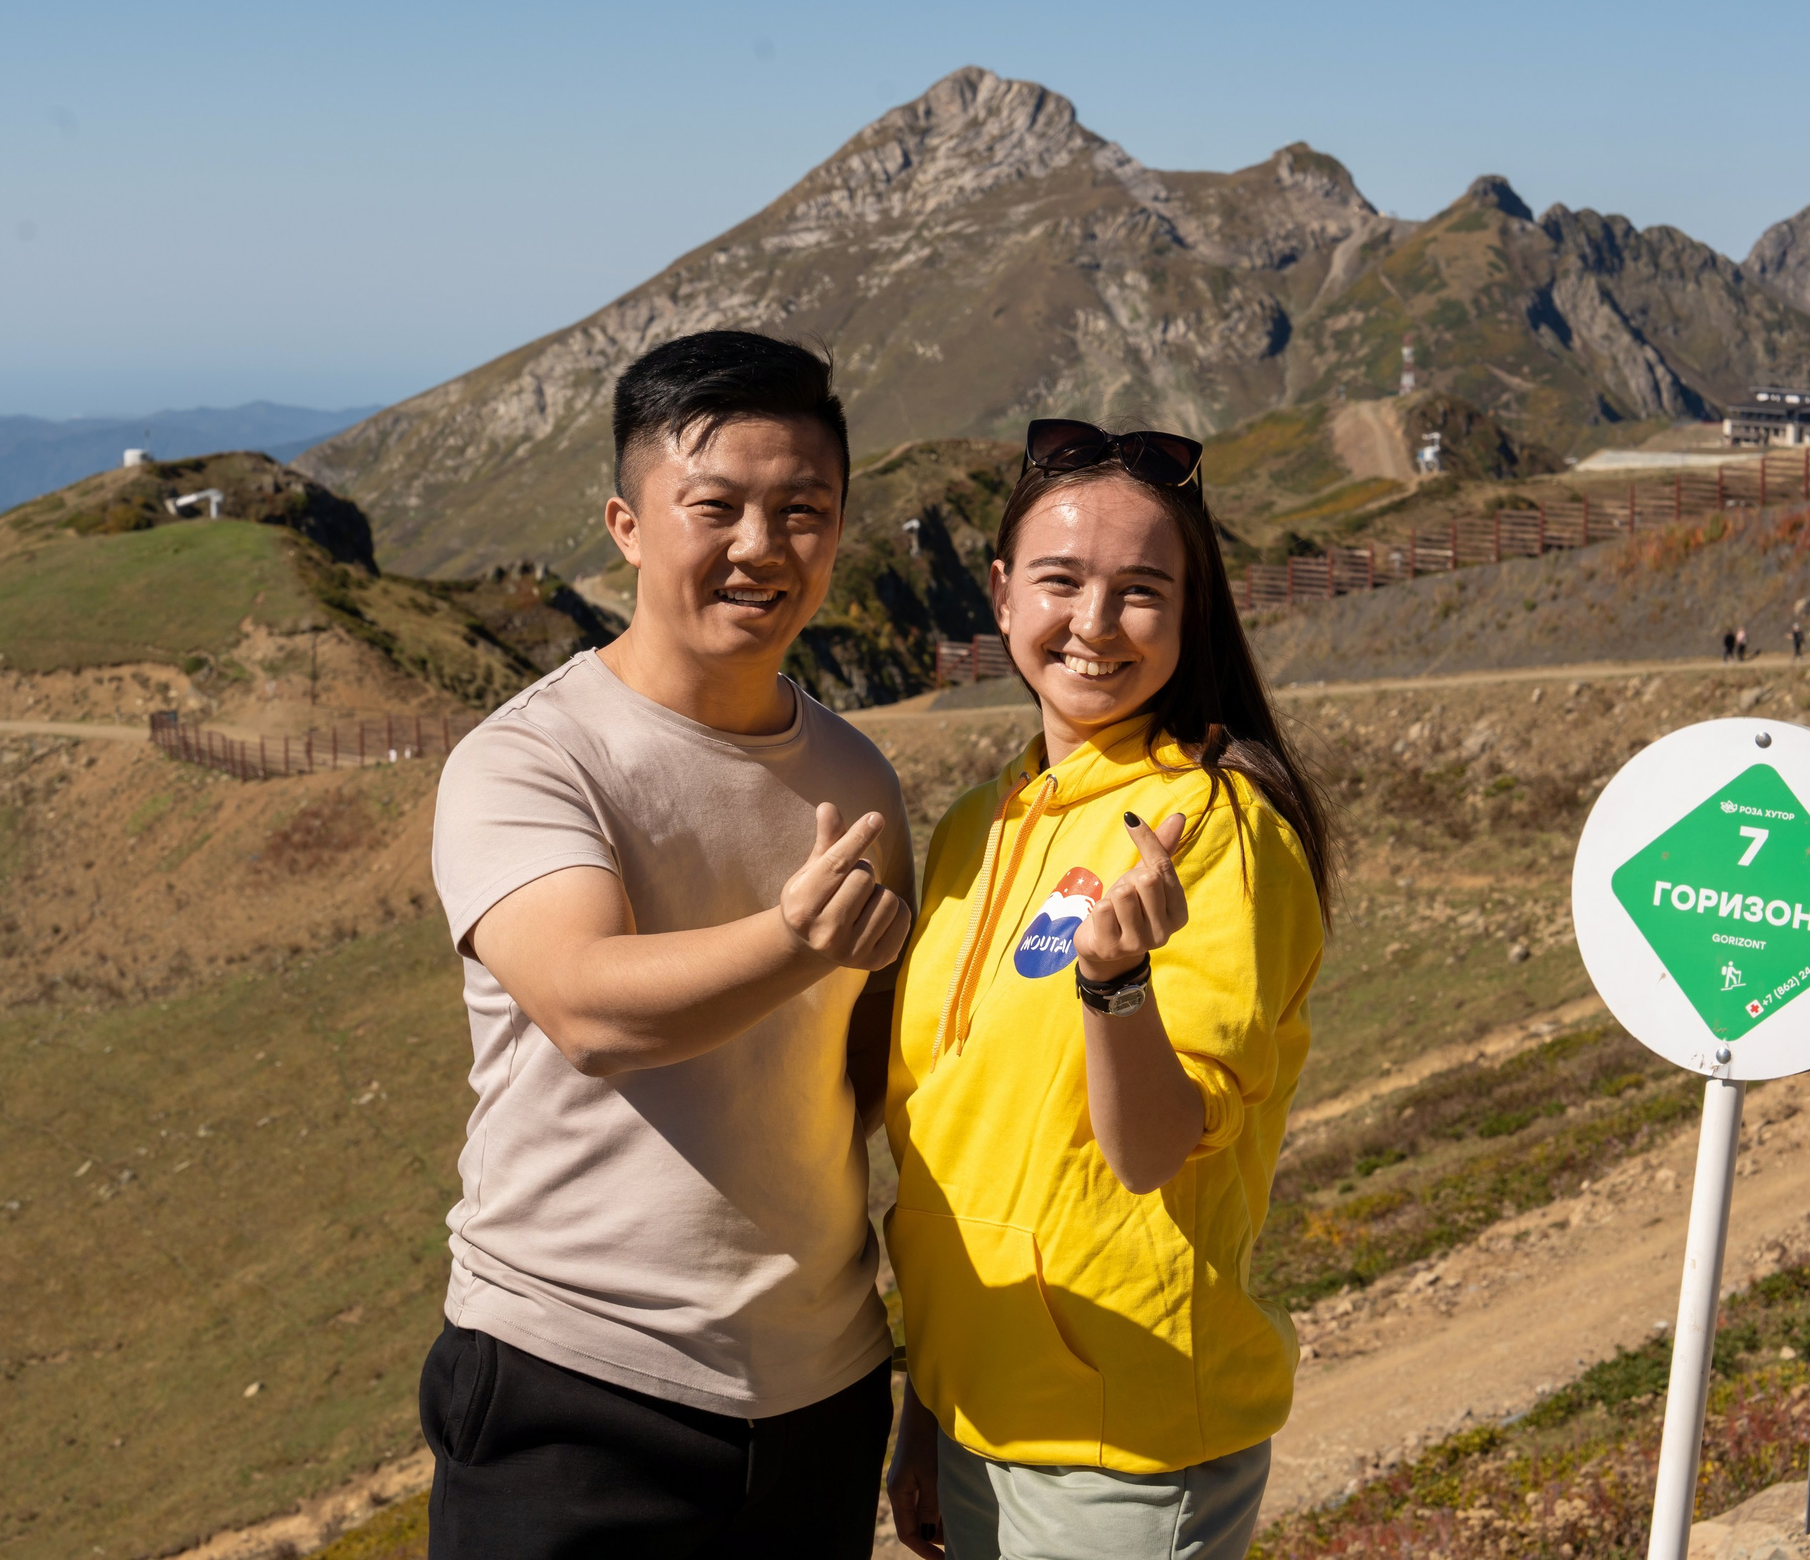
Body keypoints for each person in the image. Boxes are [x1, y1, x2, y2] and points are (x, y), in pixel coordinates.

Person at [421, 331, 915, 1557]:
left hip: (822, 1391)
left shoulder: (856, 776)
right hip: (575, 1387)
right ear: (627, 523)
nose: (761, 547)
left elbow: (878, 1084)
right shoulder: (531, 757)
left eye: (804, 510)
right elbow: (592, 1009)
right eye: (717, 507)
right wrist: (797, 937)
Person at [882, 419, 1335, 1560]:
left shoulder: (1217, 828)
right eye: (1059, 581)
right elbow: (965, 1139)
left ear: (1191, 614)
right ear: (998, 593)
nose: (1091, 624)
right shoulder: (971, 829)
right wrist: (926, 1407)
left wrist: (1117, 987)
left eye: (1140, 591)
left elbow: (1150, 1152)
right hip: (977, 1415)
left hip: (1121, 1439)